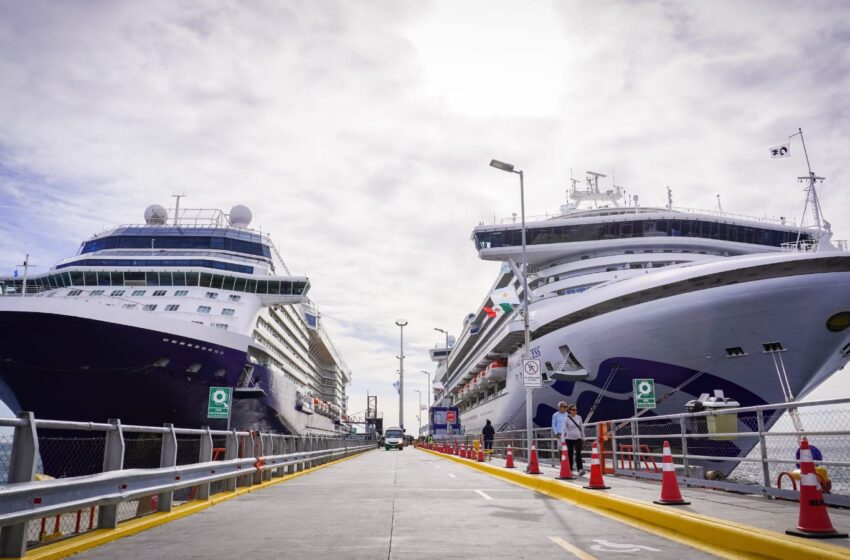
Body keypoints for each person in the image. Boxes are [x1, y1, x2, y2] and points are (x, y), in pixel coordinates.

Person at [564, 404, 585, 475]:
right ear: (569, 411)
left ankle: (580, 469)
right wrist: (568, 433)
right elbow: (565, 428)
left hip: (578, 437)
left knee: (578, 453)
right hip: (569, 438)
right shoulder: (566, 418)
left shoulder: (579, 417)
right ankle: (570, 469)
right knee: (570, 453)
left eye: (576, 410)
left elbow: (581, 428)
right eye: (573, 410)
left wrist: (583, 437)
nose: (575, 411)